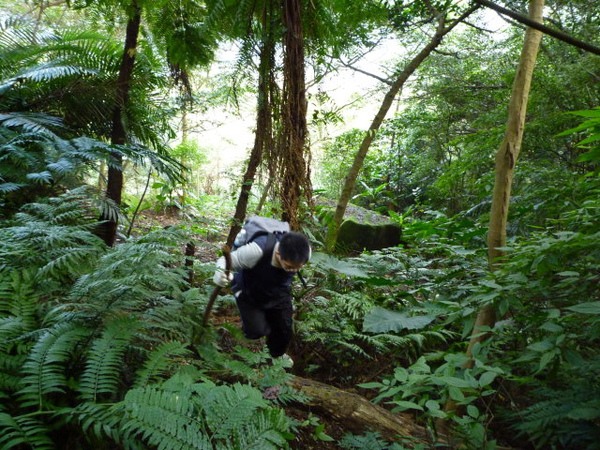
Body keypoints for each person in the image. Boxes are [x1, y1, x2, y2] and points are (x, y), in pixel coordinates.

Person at [213, 230, 311, 363]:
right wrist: (219, 274)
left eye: (297, 267)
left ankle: (276, 355)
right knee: (256, 331)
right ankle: (250, 346)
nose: (293, 270)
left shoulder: (305, 252)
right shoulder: (256, 251)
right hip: (249, 290)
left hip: (278, 290)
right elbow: (224, 261)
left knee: (284, 328)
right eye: (289, 266)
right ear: (278, 254)